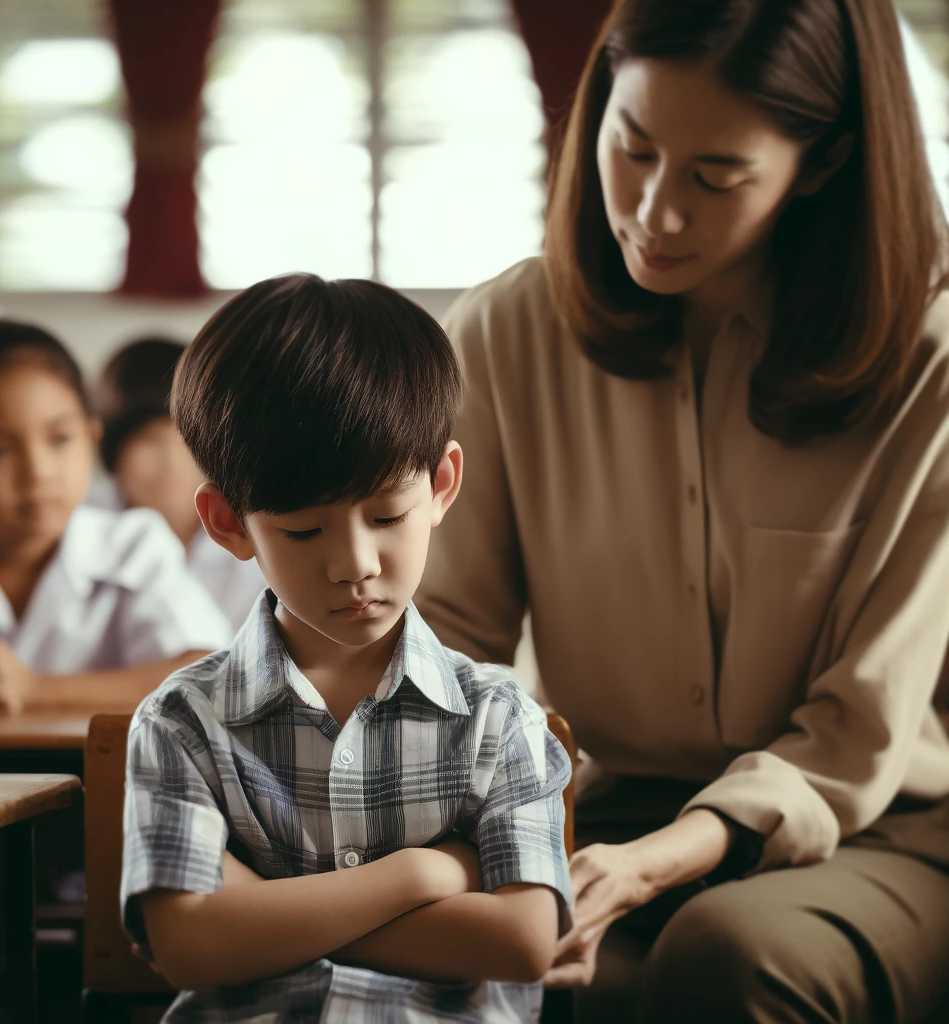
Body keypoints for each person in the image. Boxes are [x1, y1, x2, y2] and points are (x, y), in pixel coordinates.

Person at [415, 0, 949, 1021]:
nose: (656, 211)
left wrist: (659, 860)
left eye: (716, 176)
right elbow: (452, 651)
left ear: (823, 163)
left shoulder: (923, 361)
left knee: (727, 951)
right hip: (606, 819)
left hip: (876, 833)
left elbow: (854, 737)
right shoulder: (504, 335)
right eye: (634, 146)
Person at [120, 274, 572, 1023]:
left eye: (388, 513)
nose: (355, 564)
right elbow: (188, 946)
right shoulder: (181, 722)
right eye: (303, 530)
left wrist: (262, 915)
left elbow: (523, 942)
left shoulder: (498, 717)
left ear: (442, 486)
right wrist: (425, 873)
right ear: (229, 523)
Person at [0, 318, 232, 713]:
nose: (38, 472)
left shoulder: (132, 546)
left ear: (92, 440)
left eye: (60, 439)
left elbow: (215, 677)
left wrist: (37, 691)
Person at [95, 336, 266, 632]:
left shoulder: (253, 540)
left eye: (185, 441)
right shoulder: (81, 525)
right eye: (148, 442)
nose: (171, 462)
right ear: (111, 450)